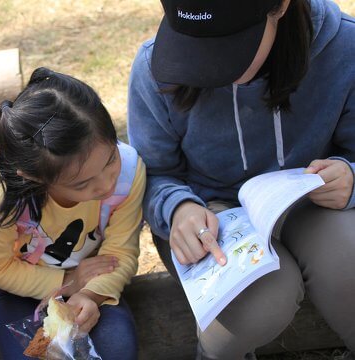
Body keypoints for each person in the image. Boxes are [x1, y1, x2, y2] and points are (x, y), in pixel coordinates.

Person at [127, 0, 355, 359]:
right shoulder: (154, 67)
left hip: (311, 201)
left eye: (229, 42)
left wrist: (350, 178)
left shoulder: (344, 46)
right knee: (263, 297)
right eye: (195, 46)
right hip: (208, 213)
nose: (209, 65)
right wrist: (178, 209)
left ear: (280, 6)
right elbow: (152, 173)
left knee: (349, 258)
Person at [0, 67, 145, 360]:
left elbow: (122, 252)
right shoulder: (1, 198)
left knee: (118, 347)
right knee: (30, 355)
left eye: (110, 160)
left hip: (94, 279)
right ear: (33, 177)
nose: (106, 184)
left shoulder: (129, 172)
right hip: (23, 285)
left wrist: (89, 294)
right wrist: (67, 282)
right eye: (82, 184)